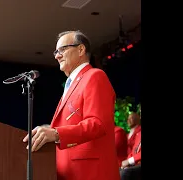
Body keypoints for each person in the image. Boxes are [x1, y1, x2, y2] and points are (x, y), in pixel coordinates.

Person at [23, 30, 120, 180]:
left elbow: (97, 124)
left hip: (89, 172)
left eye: (62, 49)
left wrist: (56, 133)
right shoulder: (71, 83)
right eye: (55, 51)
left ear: (81, 49)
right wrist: (47, 131)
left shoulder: (95, 76)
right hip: (68, 172)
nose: (57, 55)